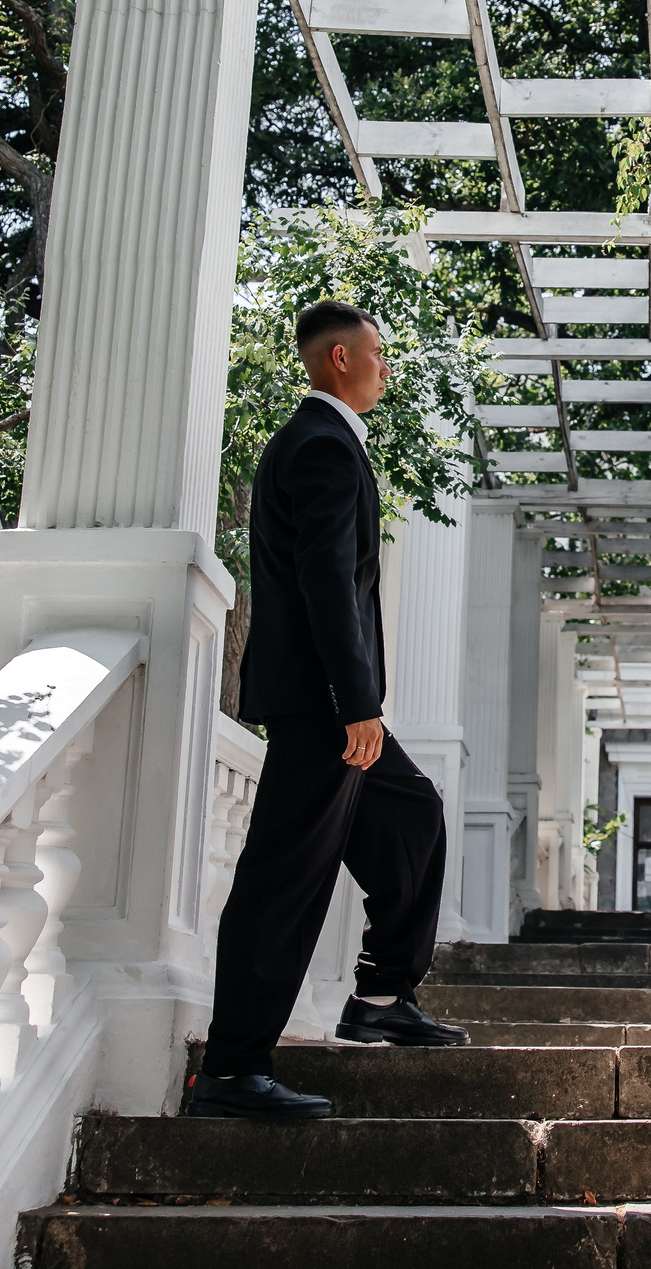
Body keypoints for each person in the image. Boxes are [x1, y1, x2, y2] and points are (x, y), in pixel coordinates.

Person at [187, 300, 468, 1121]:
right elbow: (326, 587)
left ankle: (381, 997)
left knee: (413, 813)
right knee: (284, 876)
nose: (386, 367)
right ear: (340, 359)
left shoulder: (321, 443)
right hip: (324, 709)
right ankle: (233, 1068)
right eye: (378, 354)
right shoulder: (321, 447)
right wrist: (358, 703)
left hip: (331, 707)